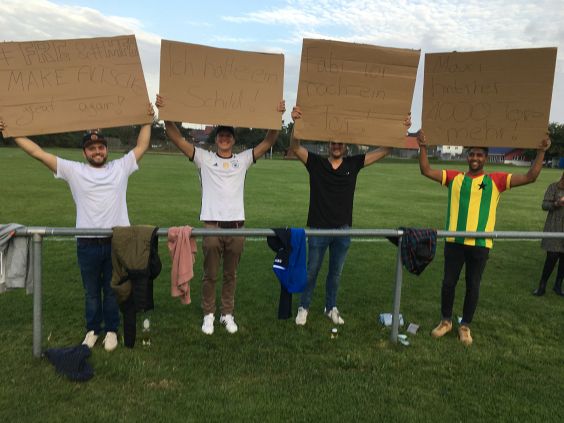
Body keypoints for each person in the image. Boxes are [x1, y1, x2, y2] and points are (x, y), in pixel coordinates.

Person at [0, 104, 155, 351]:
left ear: (106, 150)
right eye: (92, 148)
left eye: (101, 147)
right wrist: (12, 133)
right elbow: (38, 153)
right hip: (86, 243)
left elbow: (142, 145)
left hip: (116, 243)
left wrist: (148, 119)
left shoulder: (120, 167)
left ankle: (111, 330)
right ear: (85, 152)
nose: (97, 151)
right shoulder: (73, 170)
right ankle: (93, 329)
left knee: (112, 290)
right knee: (91, 292)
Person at [156, 94, 285, 335]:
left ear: (233, 140)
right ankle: (208, 314)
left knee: (230, 274)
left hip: (236, 227)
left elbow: (269, 141)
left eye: (228, 136)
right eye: (221, 135)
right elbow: (176, 137)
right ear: (216, 139)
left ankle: (227, 313)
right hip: (212, 226)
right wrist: (166, 115)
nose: (224, 139)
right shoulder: (204, 158)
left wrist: (277, 117)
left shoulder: (243, 160)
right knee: (210, 274)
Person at [417, 130, 551, 346]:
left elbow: (530, 177)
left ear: (486, 158)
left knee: (473, 285)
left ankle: (465, 326)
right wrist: (423, 146)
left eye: (479, 155)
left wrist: (541, 151)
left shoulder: (495, 180)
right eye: (472, 154)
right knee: (448, 283)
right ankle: (446, 321)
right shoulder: (454, 178)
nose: (475, 158)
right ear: (467, 156)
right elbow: (426, 170)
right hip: (454, 241)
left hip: (480, 244)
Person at [290, 106, 411, 326]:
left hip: (343, 230)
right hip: (318, 229)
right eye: (333, 143)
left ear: (345, 146)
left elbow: (385, 150)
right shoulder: (316, 163)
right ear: (329, 145)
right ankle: (303, 307)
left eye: (340, 143)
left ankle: (330, 307)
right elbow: (295, 147)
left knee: (335, 274)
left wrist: (400, 130)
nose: (336, 146)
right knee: (312, 272)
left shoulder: (353, 164)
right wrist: (296, 123)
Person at [532, 172, 564, 297]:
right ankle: (542, 286)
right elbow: (544, 205)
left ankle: (558, 285)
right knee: (551, 257)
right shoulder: (554, 187)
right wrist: (556, 204)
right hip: (554, 226)